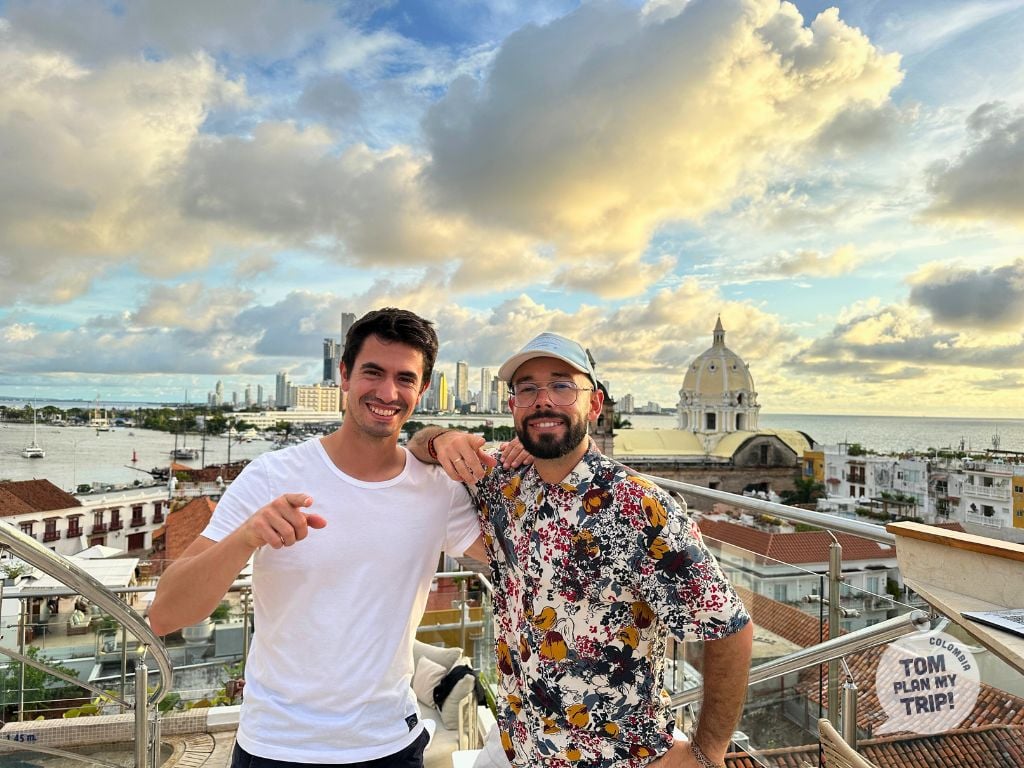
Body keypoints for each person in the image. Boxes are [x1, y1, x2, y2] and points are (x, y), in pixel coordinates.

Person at [149, 308, 487, 768]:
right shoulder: (272, 475)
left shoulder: (437, 491)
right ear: (344, 375)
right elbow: (167, 614)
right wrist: (247, 537)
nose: (387, 393)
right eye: (372, 372)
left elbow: (520, 551)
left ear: (423, 389)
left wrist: (453, 439)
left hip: (389, 743)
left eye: (404, 379)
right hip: (276, 746)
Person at [409, 333, 753, 768]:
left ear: (594, 404)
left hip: (614, 757)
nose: (542, 400)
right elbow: (417, 448)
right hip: (519, 747)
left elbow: (729, 629)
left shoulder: (640, 507)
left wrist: (707, 754)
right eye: (527, 388)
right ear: (513, 406)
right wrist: (442, 437)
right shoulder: (503, 482)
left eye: (561, 385)